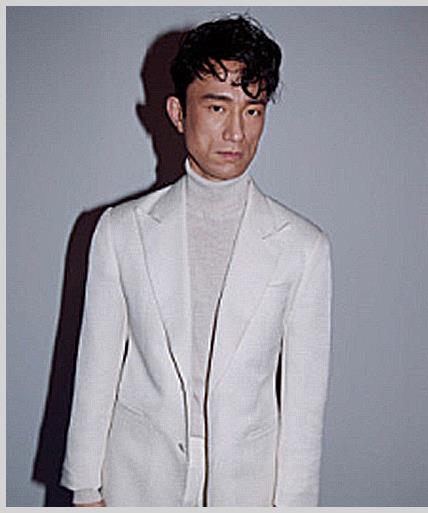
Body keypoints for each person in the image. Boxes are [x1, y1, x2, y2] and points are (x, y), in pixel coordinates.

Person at [60, 14, 332, 507]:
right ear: (178, 112)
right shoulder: (121, 231)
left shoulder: (303, 247)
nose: (236, 132)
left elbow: (304, 410)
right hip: (136, 484)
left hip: (247, 491)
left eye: (252, 110)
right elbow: (95, 372)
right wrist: (85, 491)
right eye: (217, 106)